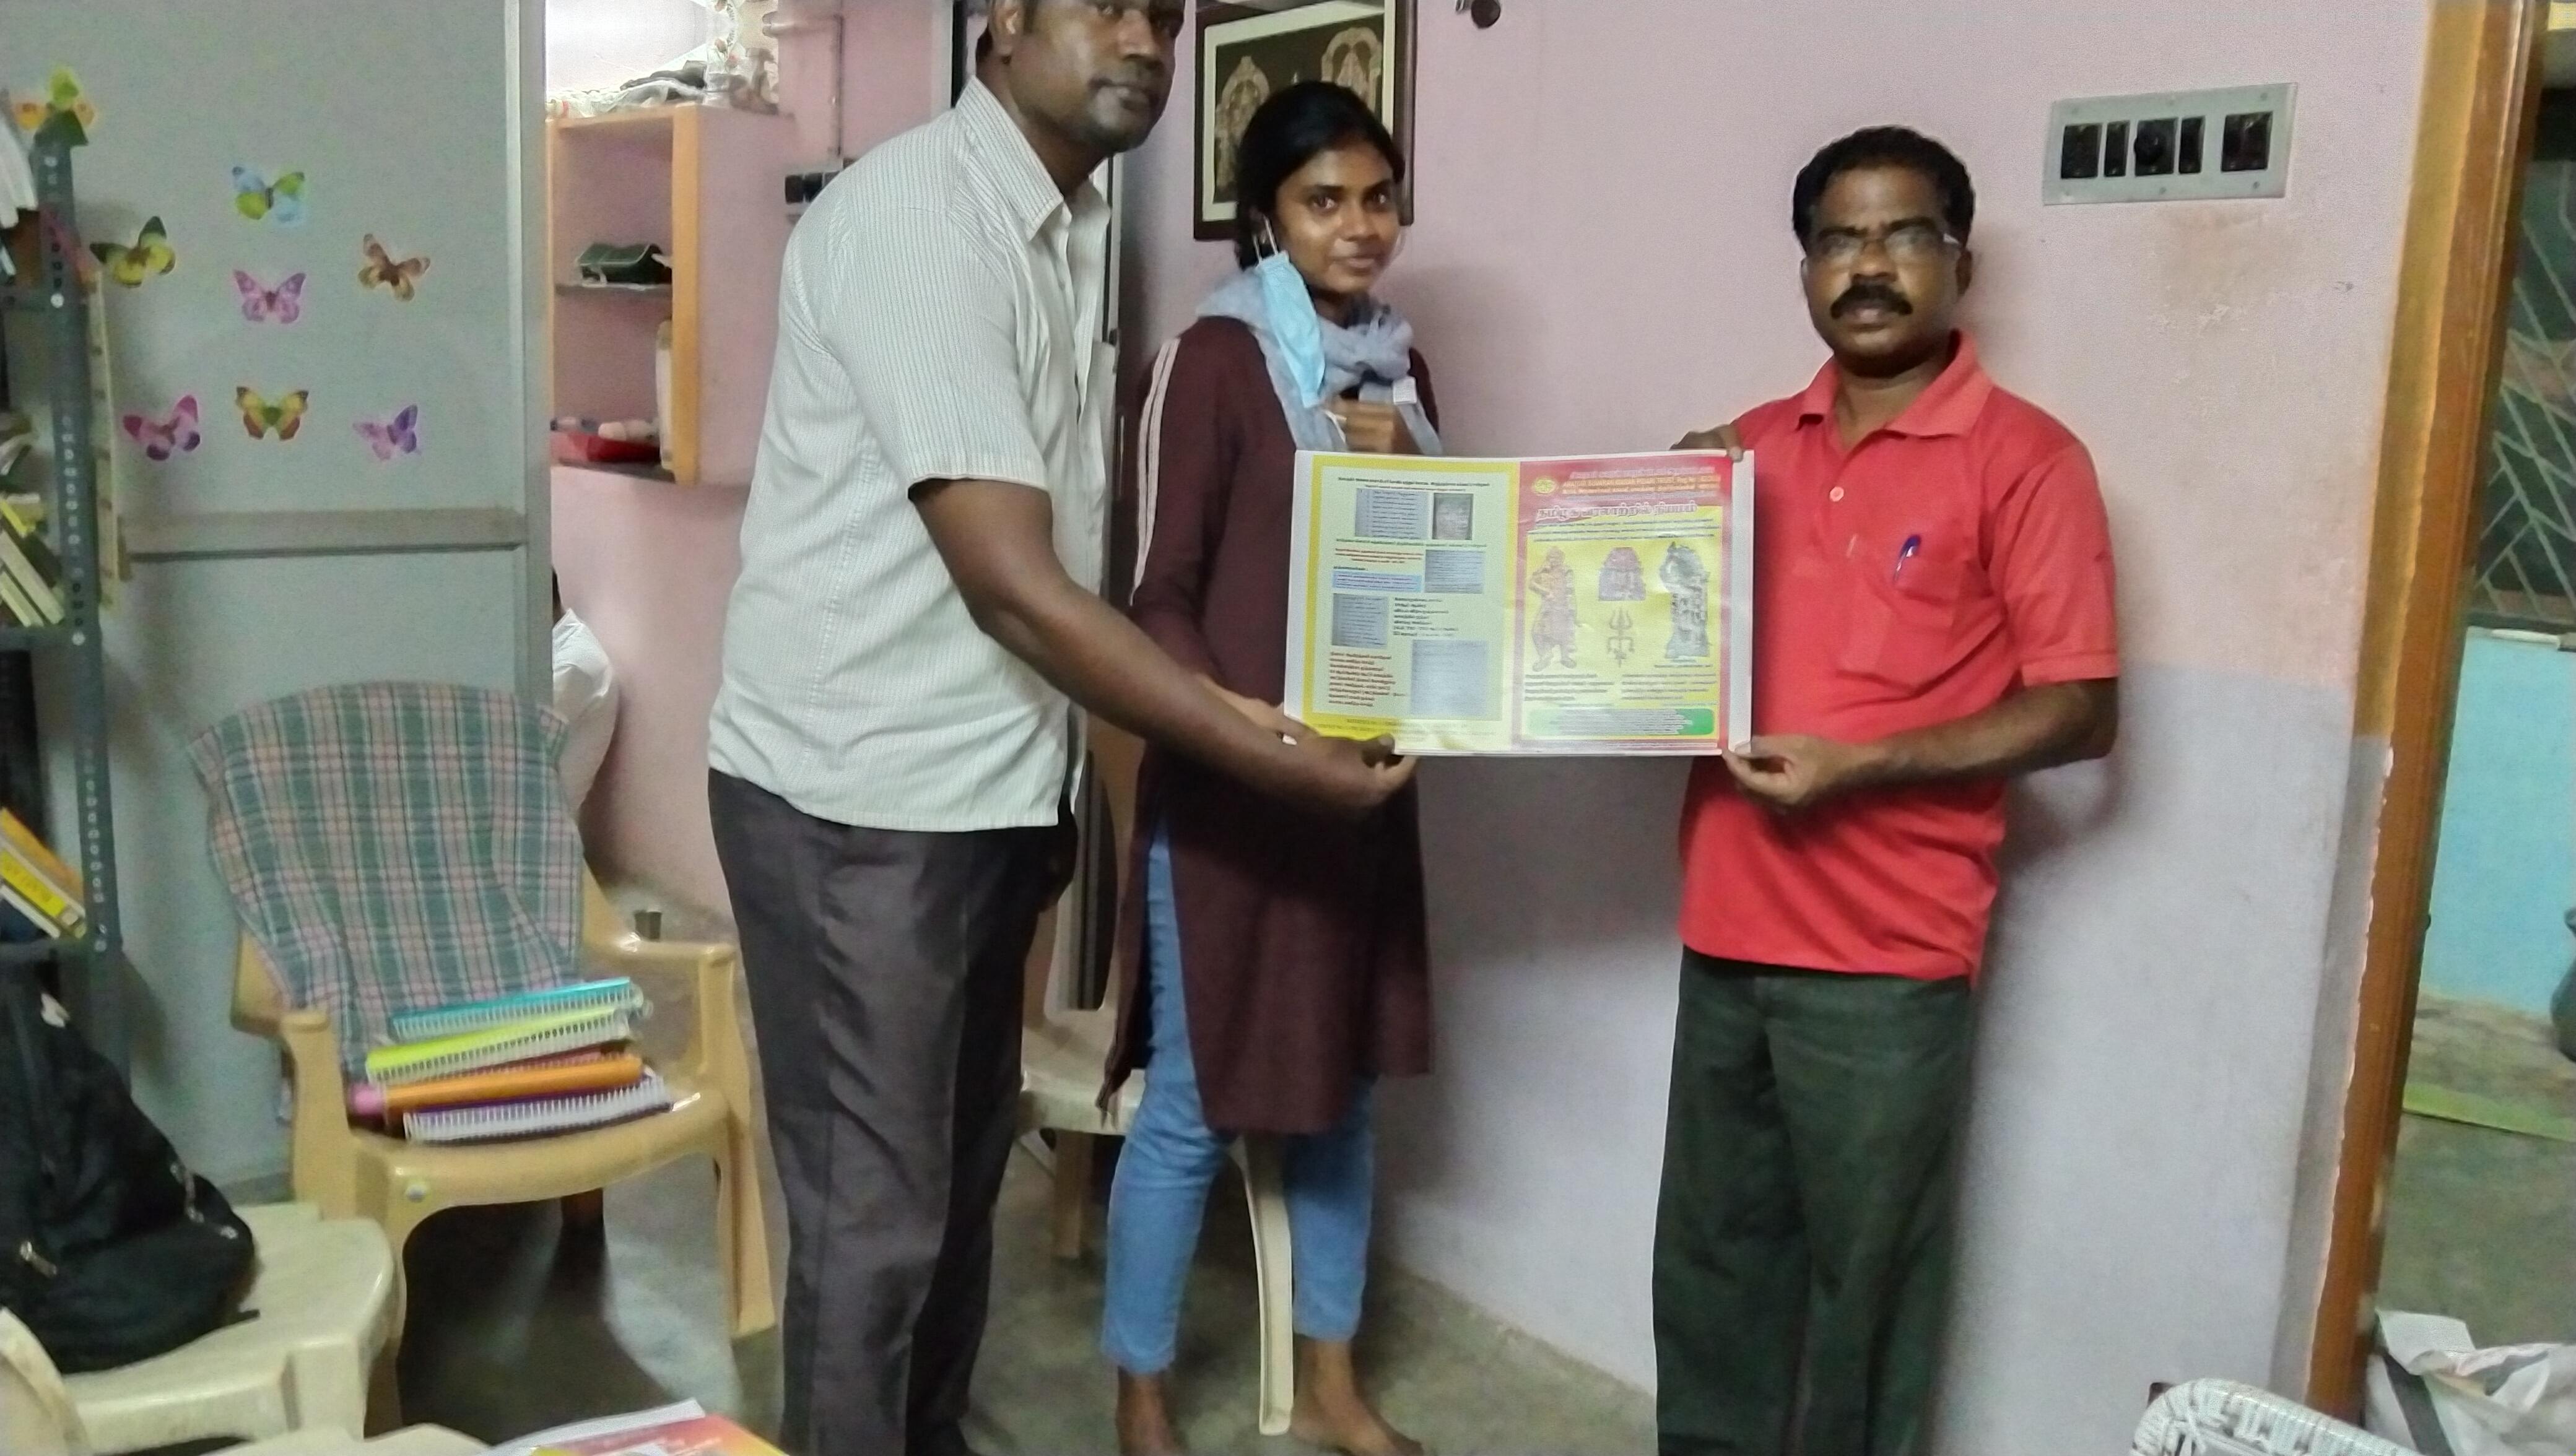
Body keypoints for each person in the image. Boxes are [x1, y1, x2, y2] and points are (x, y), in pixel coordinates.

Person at [702, 4, 1415, 1454]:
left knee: (957, 1192)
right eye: (1102, 5)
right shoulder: (922, 218)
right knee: (875, 1225)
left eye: (1162, 12)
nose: (1141, 36)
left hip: (990, 792)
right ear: (1003, 25)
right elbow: (1017, 588)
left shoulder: (1064, 226)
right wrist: (1268, 752)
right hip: (860, 803)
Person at [1657, 126, 2121, 1456]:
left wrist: (1865, 765)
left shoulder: (2026, 460)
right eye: (1838, 240)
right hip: (1724, 933)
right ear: (1805, 267)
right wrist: (1655, 508)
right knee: (1712, 1275)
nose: (1868, 267)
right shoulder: (1742, 450)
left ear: (1960, 262)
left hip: (1888, 963)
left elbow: (2082, 711)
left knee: (1868, 1304)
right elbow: (1639, 648)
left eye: (1903, 235)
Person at [1102, 81, 1437, 1456]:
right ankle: (1140, 1391)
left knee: (1344, 1093)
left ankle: (1333, 1384)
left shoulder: (1399, 372)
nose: (1359, 226)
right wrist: (1250, 729)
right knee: (1192, 1103)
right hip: (1235, 794)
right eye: (1323, 201)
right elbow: (1156, 595)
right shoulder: (1213, 360)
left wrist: (1409, 464)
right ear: (1265, 218)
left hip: (1359, 796)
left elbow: (1441, 572)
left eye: (1378, 198)